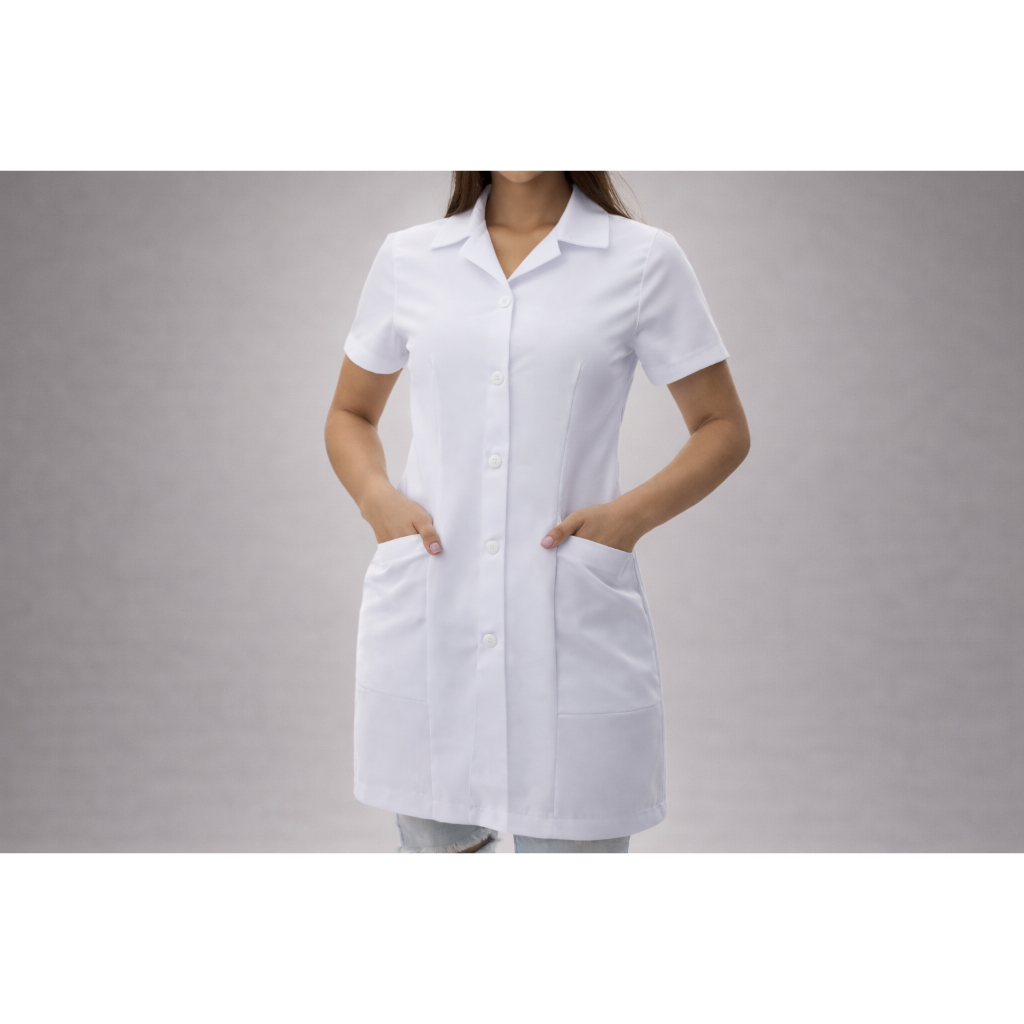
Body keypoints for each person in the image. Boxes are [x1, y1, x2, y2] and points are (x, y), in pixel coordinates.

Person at [324, 172, 750, 853]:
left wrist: (626, 520)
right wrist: (377, 500)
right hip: (433, 614)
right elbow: (350, 412)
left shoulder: (642, 259)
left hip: (567, 616)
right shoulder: (410, 258)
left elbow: (721, 427)